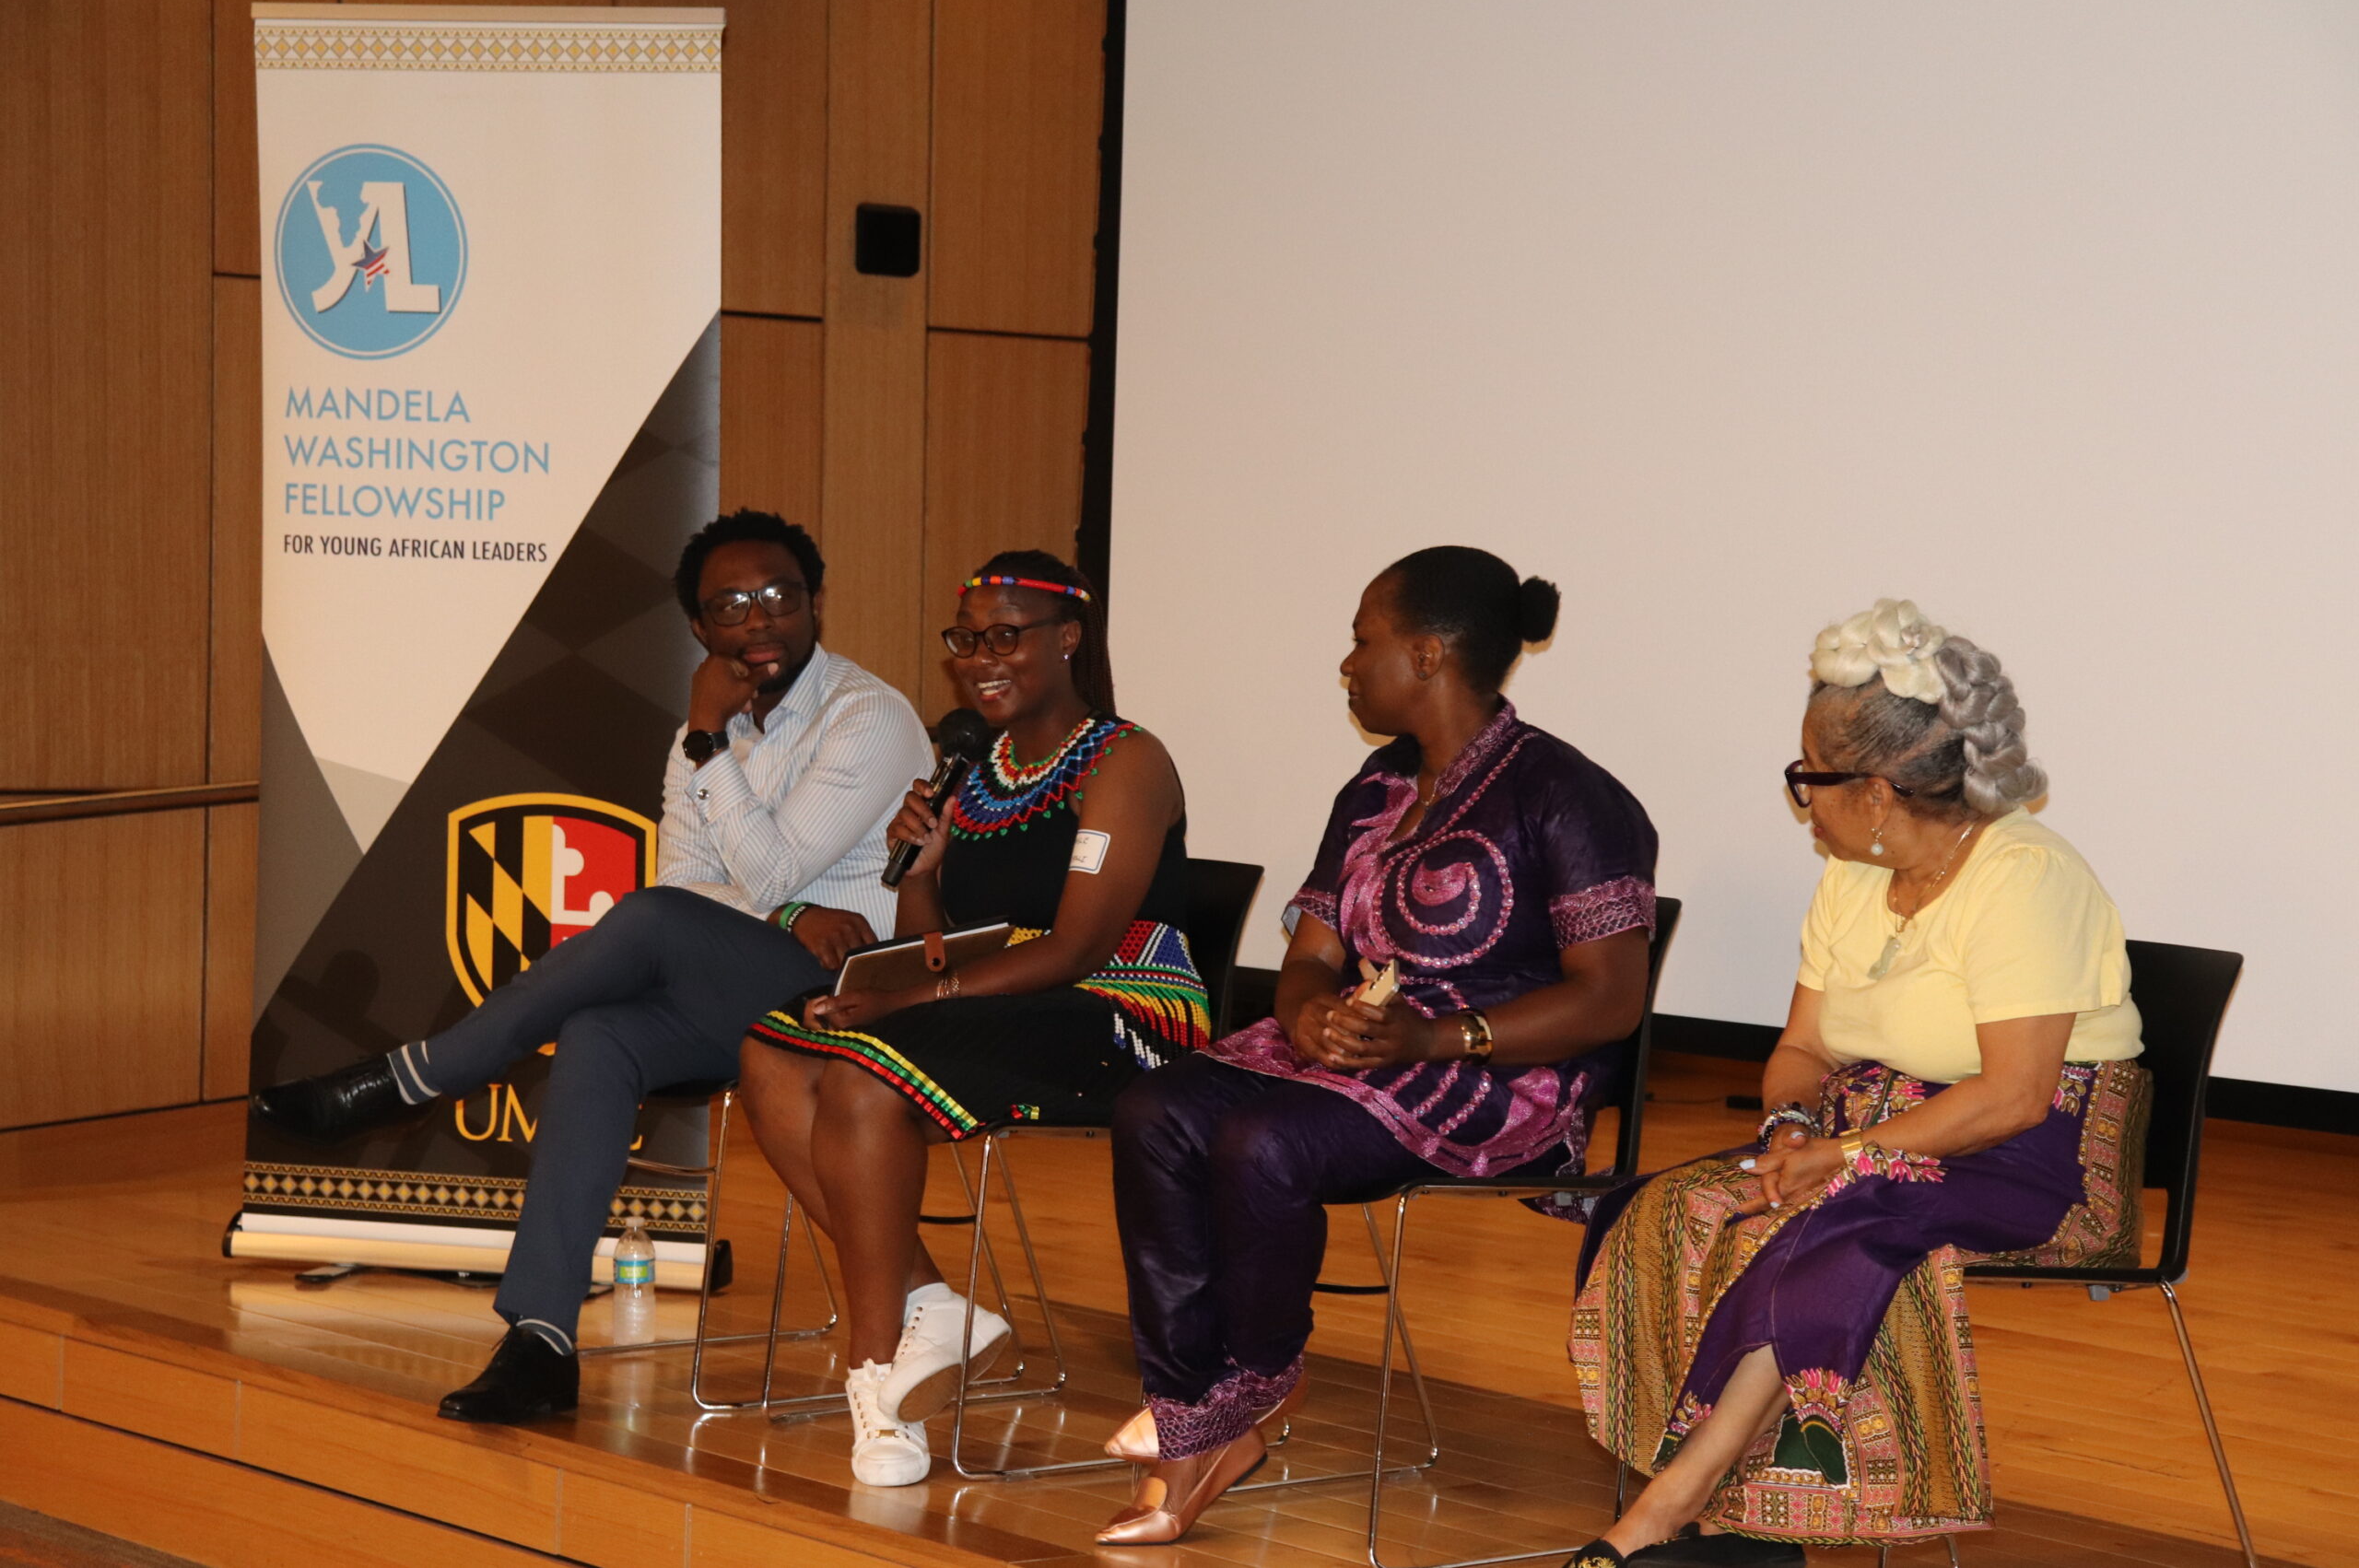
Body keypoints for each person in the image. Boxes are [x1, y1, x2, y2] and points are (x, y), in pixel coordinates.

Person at [249, 509, 932, 1424]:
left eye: (779, 596)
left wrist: (706, 750)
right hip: (748, 986)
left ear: (815, 604)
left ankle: (419, 1073)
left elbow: (755, 873)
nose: (758, 620)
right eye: (730, 604)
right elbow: (693, 881)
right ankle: (542, 1341)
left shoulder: (867, 718)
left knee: (648, 921)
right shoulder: (713, 729)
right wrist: (795, 907)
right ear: (700, 627)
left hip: (855, 999)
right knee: (598, 1033)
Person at [1565, 601, 2149, 1568]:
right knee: (1676, 1209)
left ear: (1874, 792)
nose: (1805, 801)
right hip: (1866, 1131)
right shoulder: (1851, 874)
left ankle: (1665, 1513)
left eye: (1810, 780)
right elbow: (1802, 1049)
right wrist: (1794, 1126)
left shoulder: (2025, 878)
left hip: (2026, 1157)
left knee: (1838, 1219)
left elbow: (2013, 1096)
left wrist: (1844, 1156)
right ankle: (1747, 1530)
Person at [1095, 546, 1659, 1546]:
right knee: (1154, 1110)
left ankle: (1251, 1388)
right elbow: (1311, 951)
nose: (1347, 664)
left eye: (1363, 641)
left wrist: (1433, 1034)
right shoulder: (1375, 784)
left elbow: (1611, 1000)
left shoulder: (1569, 796)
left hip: (1496, 1077)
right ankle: (1192, 1412)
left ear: (1428, 654)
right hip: (1363, 1051)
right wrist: (1310, 1012)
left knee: (1264, 1144)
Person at [734, 549, 1209, 1487]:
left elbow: (1074, 948)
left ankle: (874, 1371)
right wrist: (919, 869)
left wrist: (906, 1000)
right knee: (774, 1052)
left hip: (1122, 1010)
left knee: (869, 1062)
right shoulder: (978, 774)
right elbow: (944, 944)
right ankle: (927, 1304)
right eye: (967, 641)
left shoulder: (1126, 761)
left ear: (1067, 639)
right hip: (1006, 996)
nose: (981, 658)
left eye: (1006, 636)